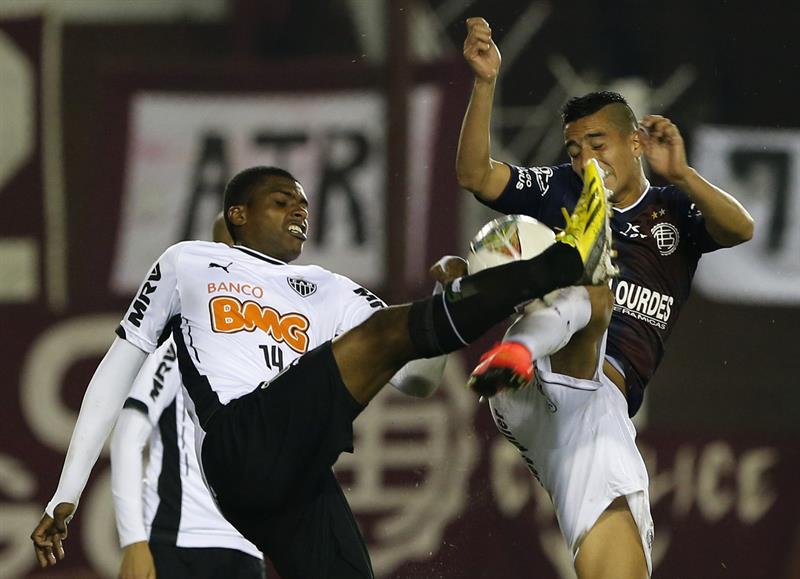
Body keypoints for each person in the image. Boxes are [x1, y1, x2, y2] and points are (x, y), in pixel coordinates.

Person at [31, 164, 613, 579]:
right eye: (283, 200)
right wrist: (65, 493)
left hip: (296, 470)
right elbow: (116, 370)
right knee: (385, 333)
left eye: (305, 205)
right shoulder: (189, 262)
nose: (300, 212)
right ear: (238, 213)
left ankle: (507, 282)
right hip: (240, 440)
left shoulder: (330, 290)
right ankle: (564, 259)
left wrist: (448, 299)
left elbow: (418, 379)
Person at [456, 17, 754, 579]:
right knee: (587, 286)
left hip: (584, 406)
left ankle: (480, 311)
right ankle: (509, 340)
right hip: (555, 375)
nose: (585, 159)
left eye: (599, 143)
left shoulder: (674, 211)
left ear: (635, 142)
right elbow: (475, 174)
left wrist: (685, 174)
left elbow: (741, 229)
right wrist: (485, 83)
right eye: (574, 149)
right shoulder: (563, 191)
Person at [110, 214, 266, 579]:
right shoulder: (180, 344)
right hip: (179, 543)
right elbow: (128, 434)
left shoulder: (277, 345)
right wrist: (134, 541)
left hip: (247, 546)